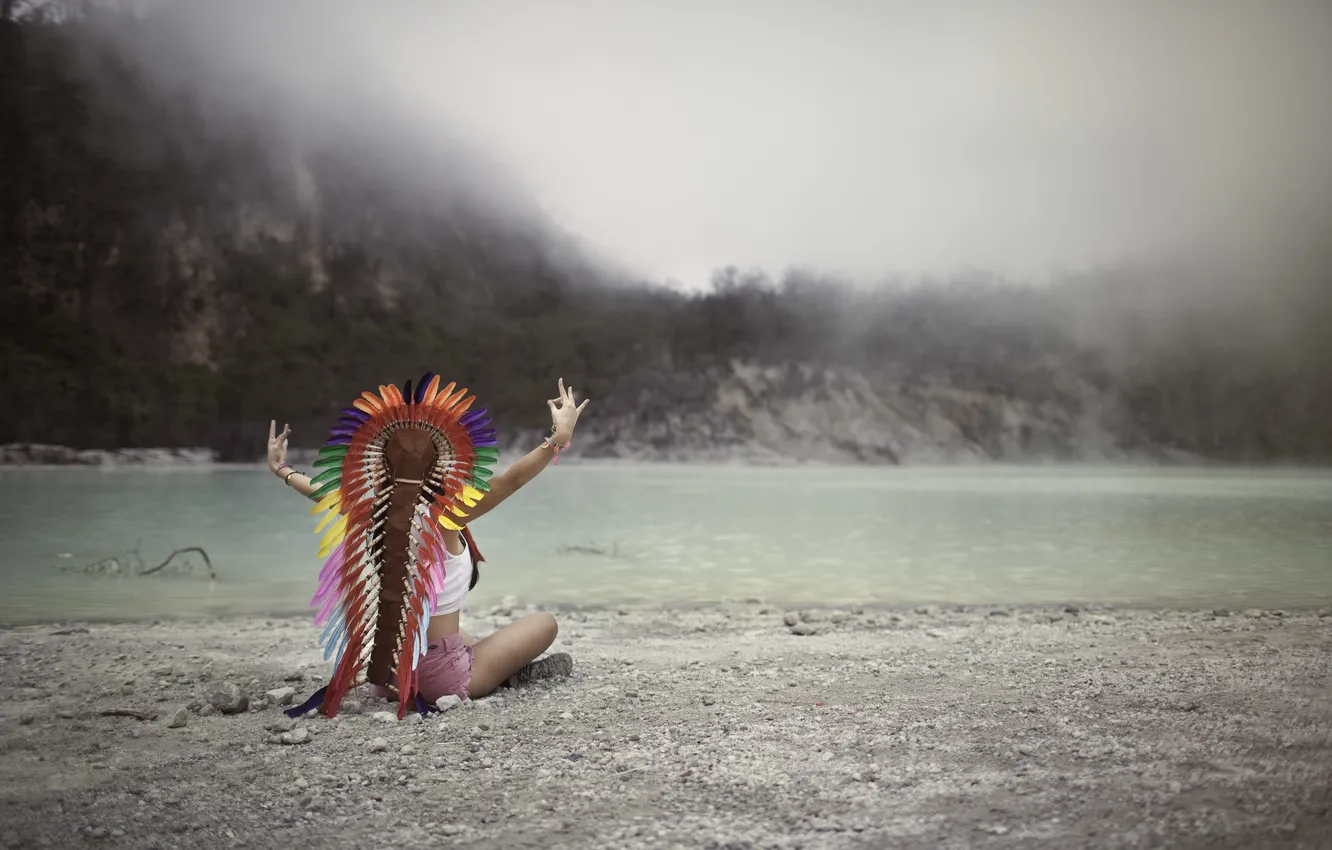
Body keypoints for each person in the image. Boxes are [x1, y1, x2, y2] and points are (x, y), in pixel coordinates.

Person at [266, 377, 589, 708]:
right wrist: (558, 438)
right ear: (441, 465)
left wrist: (282, 470)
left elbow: (323, 492)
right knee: (543, 623)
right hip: (439, 679)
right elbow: (512, 479)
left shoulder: (371, 509)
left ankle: (490, 666)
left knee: (465, 637)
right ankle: (504, 675)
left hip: (387, 675)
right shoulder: (446, 515)